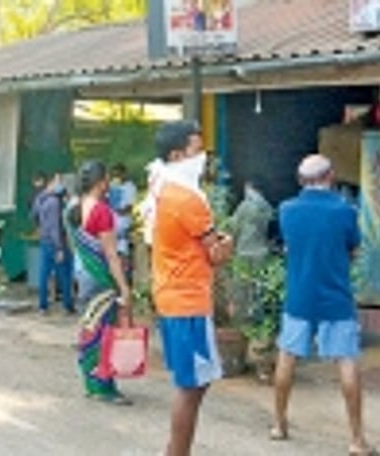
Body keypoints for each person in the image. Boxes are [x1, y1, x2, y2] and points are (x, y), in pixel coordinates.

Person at [272, 154, 377, 456]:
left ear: (300, 179)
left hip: (299, 295)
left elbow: (289, 246)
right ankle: (356, 439)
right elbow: (354, 249)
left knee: (287, 358)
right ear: (330, 176)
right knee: (346, 362)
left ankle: (279, 424)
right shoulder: (345, 210)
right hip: (336, 296)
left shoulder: (287, 209)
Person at [146, 121, 233, 456]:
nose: (203, 156)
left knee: (193, 382)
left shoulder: (161, 184)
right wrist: (227, 243)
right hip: (188, 301)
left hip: (171, 295)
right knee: (192, 385)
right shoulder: (187, 198)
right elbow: (217, 252)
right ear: (177, 154)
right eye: (197, 149)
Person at [68, 161, 134, 406]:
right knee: (104, 331)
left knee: (89, 327)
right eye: (107, 180)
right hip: (101, 280)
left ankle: (90, 380)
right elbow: (111, 254)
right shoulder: (102, 212)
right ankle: (102, 386)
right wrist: (124, 287)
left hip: (82, 275)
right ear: (101, 183)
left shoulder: (72, 208)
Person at [31, 173, 74, 315]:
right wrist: (60, 248)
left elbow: (34, 215)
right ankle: (68, 305)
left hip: (44, 240)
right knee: (65, 273)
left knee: (44, 274)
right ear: (51, 184)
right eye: (57, 181)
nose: (60, 184)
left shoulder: (40, 199)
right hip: (56, 242)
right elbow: (55, 227)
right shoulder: (55, 202)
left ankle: (43, 305)